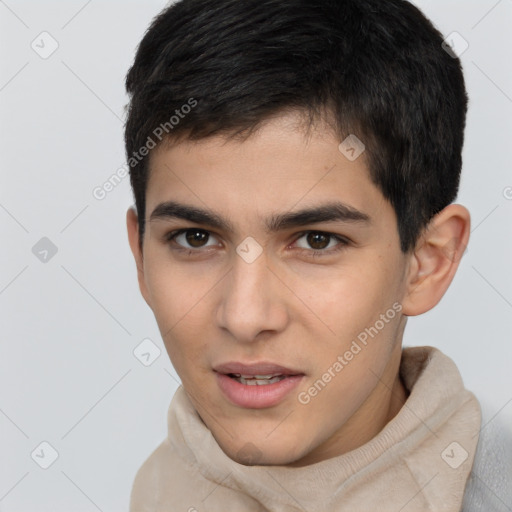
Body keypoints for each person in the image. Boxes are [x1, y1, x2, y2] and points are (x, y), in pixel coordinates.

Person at [124, 0, 512, 510]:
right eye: (196, 238)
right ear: (141, 258)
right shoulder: (156, 488)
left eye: (316, 240)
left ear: (427, 261)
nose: (245, 317)